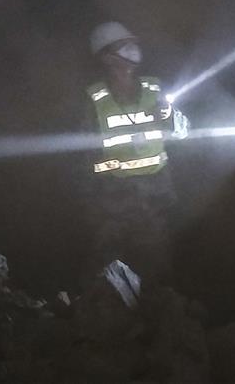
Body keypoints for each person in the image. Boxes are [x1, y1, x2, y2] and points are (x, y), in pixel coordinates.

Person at [81, 21, 188, 284]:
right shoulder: (93, 99)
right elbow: (82, 156)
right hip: (112, 205)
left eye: (133, 43)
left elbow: (183, 132)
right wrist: (95, 201)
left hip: (155, 202)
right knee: (112, 278)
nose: (132, 49)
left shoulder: (155, 88)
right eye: (123, 45)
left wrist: (169, 116)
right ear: (106, 57)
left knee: (156, 275)